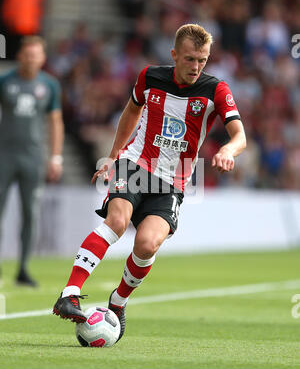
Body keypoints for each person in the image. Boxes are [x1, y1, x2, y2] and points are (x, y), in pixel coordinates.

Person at [53, 24, 246, 342]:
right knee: (117, 221)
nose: (196, 67)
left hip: (174, 181)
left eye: (202, 60)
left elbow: (239, 135)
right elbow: (131, 110)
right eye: (189, 59)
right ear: (174, 55)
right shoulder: (150, 77)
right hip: (135, 165)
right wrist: (114, 155)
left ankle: (118, 302)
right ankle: (70, 293)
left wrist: (227, 149)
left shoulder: (216, 90)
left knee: (147, 244)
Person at [0, 36, 64, 286]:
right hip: (4, 155)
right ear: (20, 56)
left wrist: (56, 157)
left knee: (30, 213)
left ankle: (23, 268)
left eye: (36, 55)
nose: (31, 59)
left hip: (33, 157)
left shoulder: (49, 85)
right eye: (27, 54)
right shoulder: (5, 81)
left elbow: (55, 121)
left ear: (42, 58)